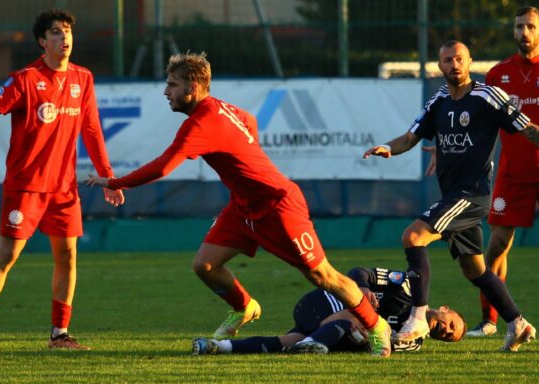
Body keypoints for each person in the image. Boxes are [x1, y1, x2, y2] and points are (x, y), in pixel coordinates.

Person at [86, 51, 393, 357]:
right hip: (243, 207)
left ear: (192, 86)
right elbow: (249, 120)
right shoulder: (220, 109)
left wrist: (115, 182)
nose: (166, 92)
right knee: (204, 265)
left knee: (322, 276)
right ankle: (245, 306)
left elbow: (164, 166)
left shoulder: (202, 123)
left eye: (172, 85)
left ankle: (377, 327)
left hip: (277, 205)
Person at [363, 40, 539, 352]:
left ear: (470, 62)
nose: (453, 65)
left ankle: (417, 317)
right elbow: (409, 137)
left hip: (471, 195)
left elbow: (527, 130)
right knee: (475, 269)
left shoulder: (488, 96)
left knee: (413, 237)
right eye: (447, 60)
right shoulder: (439, 101)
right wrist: (388, 148)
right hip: (454, 195)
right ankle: (518, 322)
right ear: (440, 65)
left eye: (459, 59)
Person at [0, 9, 124, 350]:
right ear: (43, 42)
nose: (64, 37)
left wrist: (108, 177)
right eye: (56, 32)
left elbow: (92, 129)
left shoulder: (83, 78)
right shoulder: (25, 78)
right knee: (7, 256)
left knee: (68, 257)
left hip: (63, 188)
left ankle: (59, 335)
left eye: (68, 31)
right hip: (26, 186)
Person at [192, 267, 466, 355]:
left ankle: (217, 347)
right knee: (361, 316)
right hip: (321, 303)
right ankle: (312, 344)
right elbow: (358, 272)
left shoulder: (414, 342)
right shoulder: (407, 286)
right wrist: (361, 288)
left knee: (285, 342)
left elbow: (375, 347)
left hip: (328, 328)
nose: (447, 331)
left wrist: (363, 341)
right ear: (444, 309)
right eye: (452, 324)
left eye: (449, 337)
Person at [467, 6, 539, 337]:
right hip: (513, 174)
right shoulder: (498, 74)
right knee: (496, 247)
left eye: (531, 27)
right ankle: (490, 320)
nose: (524, 32)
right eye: (519, 26)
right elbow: (480, 124)